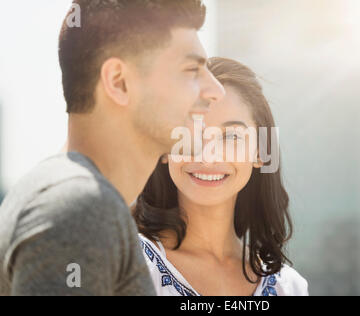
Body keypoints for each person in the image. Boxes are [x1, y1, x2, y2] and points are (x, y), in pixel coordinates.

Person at [0, 0, 224, 296]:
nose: (216, 91)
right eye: (191, 70)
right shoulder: (80, 208)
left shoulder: (75, 198)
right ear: (119, 82)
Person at [133, 57, 309, 296]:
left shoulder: (289, 287)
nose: (208, 156)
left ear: (260, 151)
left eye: (231, 137)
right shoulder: (127, 268)